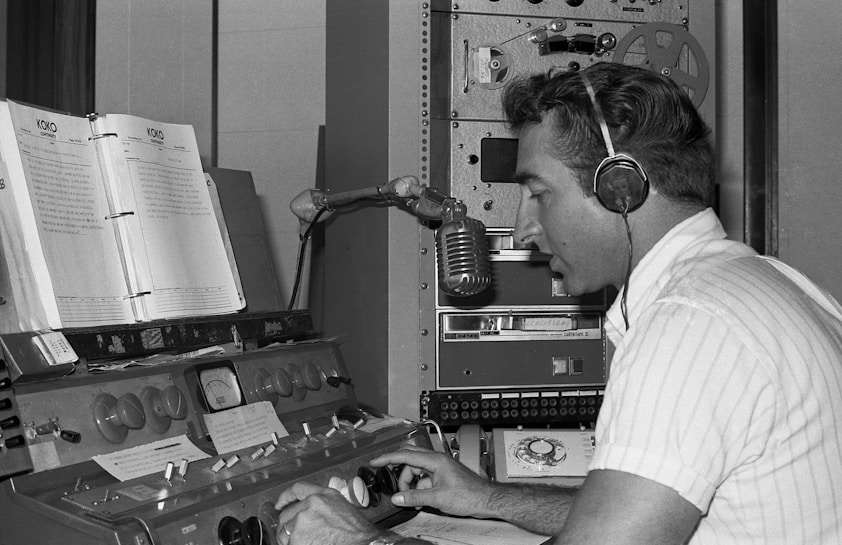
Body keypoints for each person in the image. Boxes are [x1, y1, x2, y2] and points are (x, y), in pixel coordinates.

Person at [274, 62, 842, 544]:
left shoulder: (689, 325)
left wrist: (359, 538)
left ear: (622, 187)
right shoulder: (769, 282)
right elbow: (640, 511)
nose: (521, 230)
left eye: (539, 193)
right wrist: (489, 497)